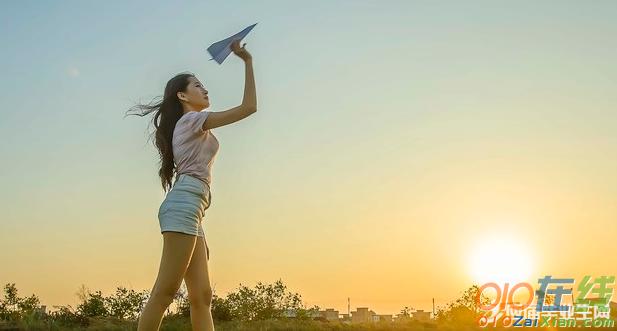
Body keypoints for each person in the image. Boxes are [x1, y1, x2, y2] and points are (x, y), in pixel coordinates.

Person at [126, 39, 256, 331]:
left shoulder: (192, 124)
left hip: (194, 210)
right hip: (185, 204)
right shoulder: (192, 120)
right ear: (182, 95)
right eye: (198, 85)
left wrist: (200, 227)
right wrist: (247, 61)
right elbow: (249, 107)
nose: (205, 88)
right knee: (165, 292)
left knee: (202, 296)